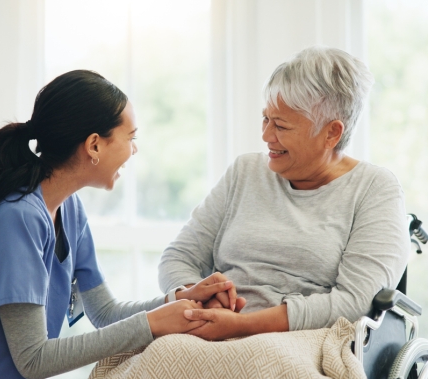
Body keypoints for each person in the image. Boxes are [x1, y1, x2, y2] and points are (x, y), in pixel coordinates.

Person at [0, 70, 238, 379]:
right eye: (130, 137)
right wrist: (153, 324)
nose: (134, 150)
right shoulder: (16, 216)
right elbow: (33, 359)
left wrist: (181, 300)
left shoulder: (70, 209)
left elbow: (104, 313)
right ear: (94, 144)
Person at [158, 46, 411, 340]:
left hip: (305, 343)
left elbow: (353, 302)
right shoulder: (245, 172)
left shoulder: (375, 189)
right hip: (210, 330)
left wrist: (242, 325)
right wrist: (195, 296)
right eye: (266, 119)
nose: (266, 136)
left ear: (331, 133)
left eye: (280, 126)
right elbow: (178, 257)